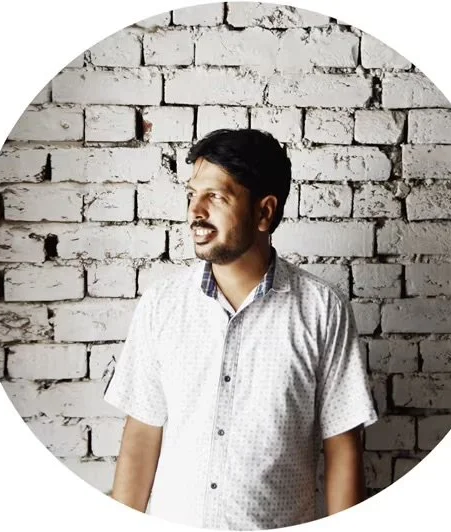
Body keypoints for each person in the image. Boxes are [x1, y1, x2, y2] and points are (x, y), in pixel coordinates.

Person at [103, 128, 378, 530]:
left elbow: (342, 447)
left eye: (216, 196)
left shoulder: (322, 310)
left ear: (264, 212)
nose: (196, 211)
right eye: (192, 194)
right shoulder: (162, 305)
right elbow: (141, 437)